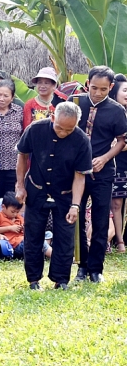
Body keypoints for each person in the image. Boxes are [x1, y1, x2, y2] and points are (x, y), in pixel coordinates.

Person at [15, 102, 92, 289]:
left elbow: (79, 176)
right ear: (52, 118)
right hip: (36, 189)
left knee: (65, 237)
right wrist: (20, 186)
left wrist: (75, 205)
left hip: (65, 194)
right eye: (59, 127)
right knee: (33, 235)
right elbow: (22, 156)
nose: (63, 133)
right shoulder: (35, 129)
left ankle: (61, 280)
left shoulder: (82, 140)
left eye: (69, 129)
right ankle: (33, 280)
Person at [69, 66, 127, 282]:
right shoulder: (75, 102)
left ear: (111, 87)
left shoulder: (116, 110)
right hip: (76, 173)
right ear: (87, 84)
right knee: (77, 219)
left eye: (104, 89)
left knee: (101, 220)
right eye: (94, 88)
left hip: (103, 172)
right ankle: (81, 267)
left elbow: (122, 141)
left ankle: (96, 270)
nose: (98, 93)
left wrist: (104, 158)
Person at [0, 79, 24, 213]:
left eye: (6, 96)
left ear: (12, 97)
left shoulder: (19, 111)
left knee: (13, 204)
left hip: (15, 166)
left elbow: (24, 135)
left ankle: (11, 232)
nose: (1, 98)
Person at [0, 192, 52, 259]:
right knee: (37, 241)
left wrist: (23, 228)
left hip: (24, 239)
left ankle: (44, 253)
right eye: (12, 211)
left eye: (17, 212)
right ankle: (52, 255)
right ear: (3, 207)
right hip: (15, 244)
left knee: (46, 234)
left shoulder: (18, 217)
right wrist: (10, 228)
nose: (15, 214)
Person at [109, 73, 127, 253]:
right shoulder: (111, 112)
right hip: (116, 165)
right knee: (116, 204)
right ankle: (119, 241)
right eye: (125, 90)